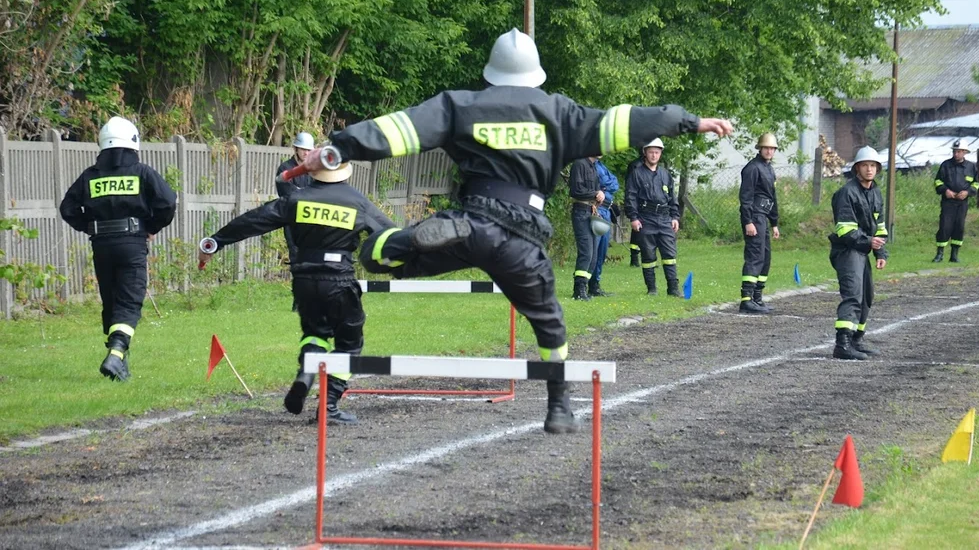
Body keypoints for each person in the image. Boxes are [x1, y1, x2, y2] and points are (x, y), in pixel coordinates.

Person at [298, 28, 734, 434]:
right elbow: (630, 122)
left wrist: (337, 149)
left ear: (491, 73)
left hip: (470, 221)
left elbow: (397, 131)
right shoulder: (560, 113)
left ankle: (395, 242)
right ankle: (559, 404)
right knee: (549, 319)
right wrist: (689, 120)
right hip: (522, 233)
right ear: (536, 73)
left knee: (386, 260)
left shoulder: (460, 105)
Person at [199, 156, 393, 424]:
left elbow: (254, 220)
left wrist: (216, 241)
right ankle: (329, 406)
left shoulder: (297, 199)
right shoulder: (356, 201)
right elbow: (390, 234)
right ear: (344, 172)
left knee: (315, 333)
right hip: (339, 279)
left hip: (303, 279)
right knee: (350, 344)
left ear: (314, 173)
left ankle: (305, 374)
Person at [59, 117, 177, 381]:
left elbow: (67, 208)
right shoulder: (143, 173)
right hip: (132, 243)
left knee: (111, 299)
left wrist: (89, 227)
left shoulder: (90, 176)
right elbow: (168, 202)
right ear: (133, 144)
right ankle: (116, 352)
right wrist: (152, 227)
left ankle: (119, 361)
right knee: (129, 300)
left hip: (101, 245)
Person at [828, 146, 888, 361]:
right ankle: (842, 344)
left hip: (862, 250)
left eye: (873, 165)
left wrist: (880, 252)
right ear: (856, 169)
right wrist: (869, 241)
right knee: (853, 294)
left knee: (866, 297)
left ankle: (856, 339)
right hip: (847, 251)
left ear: (878, 169)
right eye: (865, 165)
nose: (869, 169)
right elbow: (844, 230)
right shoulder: (847, 193)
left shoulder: (876, 192)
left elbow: (879, 226)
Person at [625, 137, 683, 298]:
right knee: (648, 255)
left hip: (665, 219)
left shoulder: (665, 174)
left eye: (657, 152)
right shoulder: (636, 174)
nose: (654, 156)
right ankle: (651, 289)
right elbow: (630, 197)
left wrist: (675, 217)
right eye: (651, 152)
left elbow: (673, 197)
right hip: (646, 218)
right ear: (645, 153)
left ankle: (673, 288)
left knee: (669, 255)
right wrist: (633, 218)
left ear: (660, 154)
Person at [738, 133, 780, 314]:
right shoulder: (752, 168)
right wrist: (748, 221)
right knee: (755, 256)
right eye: (767, 148)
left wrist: (775, 222)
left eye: (772, 149)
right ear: (760, 149)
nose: (769, 151)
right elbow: (745, 197)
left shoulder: (769, 169)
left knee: (765, 256)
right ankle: (746, 300)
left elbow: (772, 197)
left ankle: (757, 297)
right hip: (754, 216)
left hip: (764, 216)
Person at [932, 139, 979, 263]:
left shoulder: (971, 167)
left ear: (964, 152)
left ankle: (954, 255)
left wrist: (968, 192)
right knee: (945, 227)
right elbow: (938, 181)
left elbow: (976, 183)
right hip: (948, 202)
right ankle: (939, 254)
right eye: (954, 151)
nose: (955, 154)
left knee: (959, 227)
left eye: (958, 152)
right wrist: (945, 190)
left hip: (962, 203)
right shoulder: (946, 165)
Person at [276, 132, 316, 263]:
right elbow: (288, 196)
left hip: (312, 221)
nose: (306, 153)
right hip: (292, 221)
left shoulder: (315, 169)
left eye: (309, 150)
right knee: (296, 256)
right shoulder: (285, 169)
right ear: (295, 149)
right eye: (303, 149)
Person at [568, 156, 603, 300]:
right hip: (581, 211)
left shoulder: (593, 166)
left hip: (591, 211)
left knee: (594, 255)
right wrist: (595, 194)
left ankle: (585, 287)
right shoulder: (579, 163)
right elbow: (575, 190)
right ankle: (579, 290)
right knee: (586, 252)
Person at [588, 158, 620, 297]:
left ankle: (596, 283)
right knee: (594, 249)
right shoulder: (588, 166)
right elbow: (599, 184)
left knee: (602, 250)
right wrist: (606, 186)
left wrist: (605, 186)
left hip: (606, 210)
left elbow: (615, 183)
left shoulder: (601, 165)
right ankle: (587, 284)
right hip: (597, 209)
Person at [625, 157, 642, 268]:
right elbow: (630, 186)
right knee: (637, 231)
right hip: (638, 202)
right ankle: (634, 258)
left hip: (649, 202)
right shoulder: (635, 165)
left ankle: (649, 257)